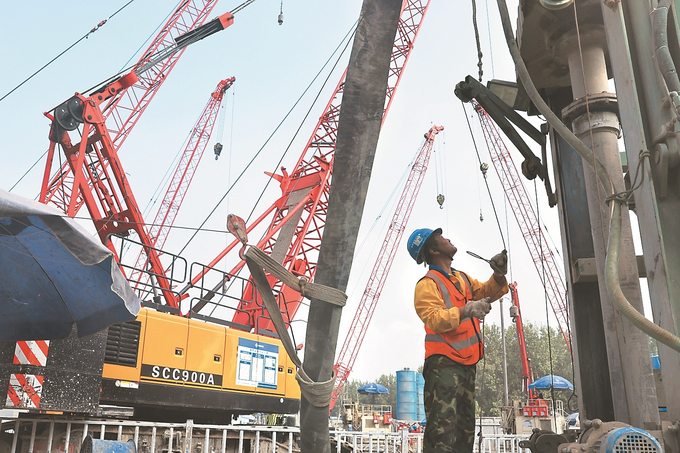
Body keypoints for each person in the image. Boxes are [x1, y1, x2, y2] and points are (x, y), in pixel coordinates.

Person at [407, 227, 508, 453]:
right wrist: (466, 310)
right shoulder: (427, 284)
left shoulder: (461, 278)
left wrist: (499, 274)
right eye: (442, 238)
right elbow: (434, 319)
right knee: (441, 433)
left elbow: (485, 290)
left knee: (464, 433)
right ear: (433, 250)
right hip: (443, 366)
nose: (448, 238)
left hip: (466, 365)